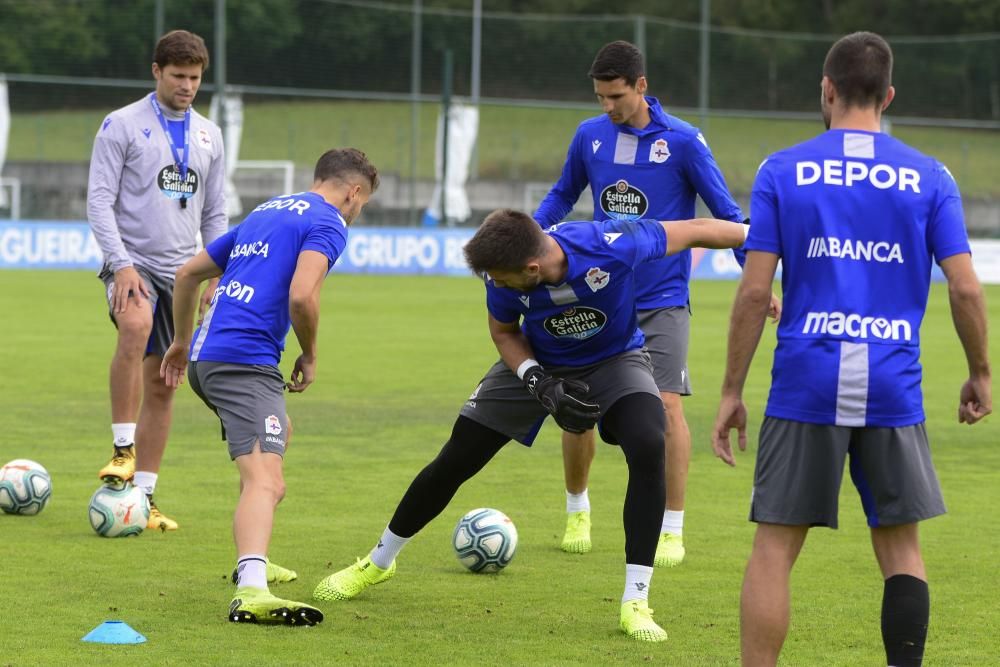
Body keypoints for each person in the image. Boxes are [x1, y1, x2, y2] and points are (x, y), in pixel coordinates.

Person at [312, 209, 748, 641]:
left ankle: (635, 600)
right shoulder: (498, 274)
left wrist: (773, 238)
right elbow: (504, 332)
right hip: (537, 364)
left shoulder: (612, 244)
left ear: (532, 267)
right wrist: (538, 381)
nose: (496, 283)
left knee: (650, 442)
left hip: (615, 361)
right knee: (456, 457)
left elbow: (697, 230)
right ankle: (378, 562)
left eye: (503, 278)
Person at [711, 32, 991, 667]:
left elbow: (756, 293)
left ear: (827, 90)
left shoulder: (783, 170)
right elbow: (967, 289)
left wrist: (731, 390)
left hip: (806, 376)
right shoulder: (930, 175)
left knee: (775, 548)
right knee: (900, 549)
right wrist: (980, 372)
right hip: (893, 380)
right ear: (888, 96)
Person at [535, 40, 779, 566]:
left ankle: (672, 526)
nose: (607, 107)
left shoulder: (685, 143)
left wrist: (759, 280)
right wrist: (529, 236)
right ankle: (578, 508)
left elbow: (729, 214)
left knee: (666, 406)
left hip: (663, 298)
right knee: (576, 407)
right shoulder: (589, 137)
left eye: (615, 96)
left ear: (641, 86)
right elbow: (561, 196)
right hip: (598, 294)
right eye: (599, 97)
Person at [160, 147, 379, 625]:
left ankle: (252, 558)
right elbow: (303, 295)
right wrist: (311, 352)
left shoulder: (268, 209)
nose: (357, 212)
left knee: (272, 446)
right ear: (354, 192)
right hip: (243, 360)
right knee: (267, 478)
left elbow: (189, 274)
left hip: (207, 355)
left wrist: (179, 342)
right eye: (362, 204)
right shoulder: (329, 222)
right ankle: (252, 588)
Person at [87, 29, 227, 531]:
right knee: (134, 324)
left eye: (194, 78)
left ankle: (144, 500)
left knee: (165, 383)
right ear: (156, 72)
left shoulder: (210, 135)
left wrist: (216, 271)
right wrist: (120, 263)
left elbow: (215, 213)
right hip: (132, 261)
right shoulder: (121, 125)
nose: (187, 86)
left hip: (184, 271)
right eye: (178, 76)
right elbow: (99, 201)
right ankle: (122, 450)